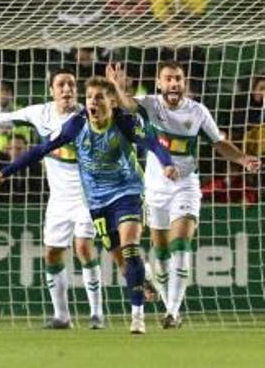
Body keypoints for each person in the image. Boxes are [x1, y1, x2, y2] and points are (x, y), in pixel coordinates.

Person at [0, 76, 178, 334]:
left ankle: (137, 318)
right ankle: (143, 277)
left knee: (130, 247)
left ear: (111, 101)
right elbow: (41, 149)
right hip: (97, 201)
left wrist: (167, 163)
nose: (92, 102)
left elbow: (154, 143)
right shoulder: (76, 124)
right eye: (89, 98)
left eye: (98, 97)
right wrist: (4, 172)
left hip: (127, 193)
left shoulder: (124, 122)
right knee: (122, 261)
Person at [107, 61, 260, 328]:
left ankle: (173, 313)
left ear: (184, 82)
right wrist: (117, 87)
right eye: (168, 79)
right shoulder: (151, 105)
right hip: (155, 189)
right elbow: (128, 105)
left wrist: (243, 159)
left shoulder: (198, 112)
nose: (174, 83)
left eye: (178, 78)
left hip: (186, 186)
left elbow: (219, 143)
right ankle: (169, 305)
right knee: (162, 253)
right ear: (159, 83)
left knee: (180, 243)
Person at [0, 69, 105, 329]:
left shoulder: (87, 115)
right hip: (58, 200)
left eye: (71, 85)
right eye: (61, 85)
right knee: (51, 254)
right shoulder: (40, 113)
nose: (67, 89)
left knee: (83, 247)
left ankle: (97, 314)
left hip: (88, 196)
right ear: (51, 90)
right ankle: (62, 317)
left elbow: (39, 150)